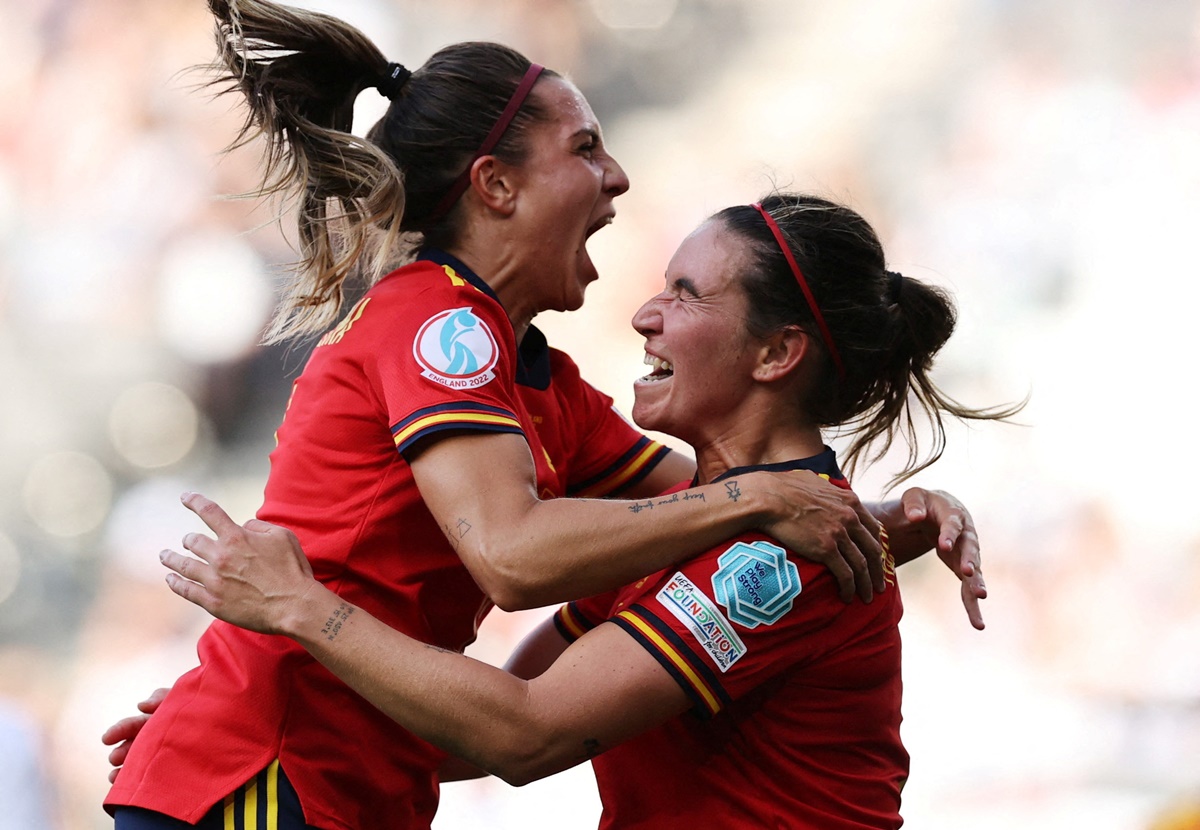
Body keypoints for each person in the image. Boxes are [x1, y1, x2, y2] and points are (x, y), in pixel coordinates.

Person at [103, 1, 985, 828]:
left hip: (338, 777)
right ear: (495, 186)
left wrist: (887, 519)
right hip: (275, 771)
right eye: (587, 148)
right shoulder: (444, 325)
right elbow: (521, 558)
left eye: (685, 292)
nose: (618, 177)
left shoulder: (553, 396)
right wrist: (249, 677)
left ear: (776, 352)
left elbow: (720, 508)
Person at [156, 193, 1019, 829]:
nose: (645, 313)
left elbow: (523, 734)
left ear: (777, 353)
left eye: (685, 293)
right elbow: (469, 727)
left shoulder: (772, 559)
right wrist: (247, 703)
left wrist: (305, 611)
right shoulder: (691, 525)